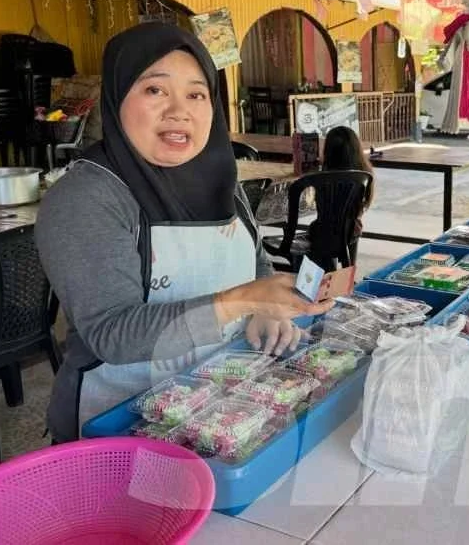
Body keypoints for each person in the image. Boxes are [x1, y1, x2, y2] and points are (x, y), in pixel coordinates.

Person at [35, 23, 331, 443]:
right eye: (155, 91)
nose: (179, 111)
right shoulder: (85, 198)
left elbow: (256, 264)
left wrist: (264, 309)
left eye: (196, 94)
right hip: (121, 423)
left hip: (220, 407)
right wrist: (244, 300)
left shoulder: (219, 179)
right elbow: (112, 335)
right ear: (117, 97)